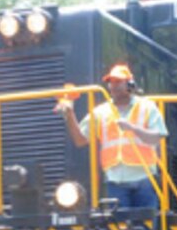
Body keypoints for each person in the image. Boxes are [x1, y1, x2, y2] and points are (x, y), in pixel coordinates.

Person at [53, 64, 168, 209]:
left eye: (118, 81)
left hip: (144, 180)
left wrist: (133, 128)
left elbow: (156, 137)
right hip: (115, 183)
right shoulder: (101, 112)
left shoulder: (147, 107)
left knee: (147, 226)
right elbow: (80, 140)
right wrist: (69, 115)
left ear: (130, 83)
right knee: (120, 228)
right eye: (111, 82)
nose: (114, 86)